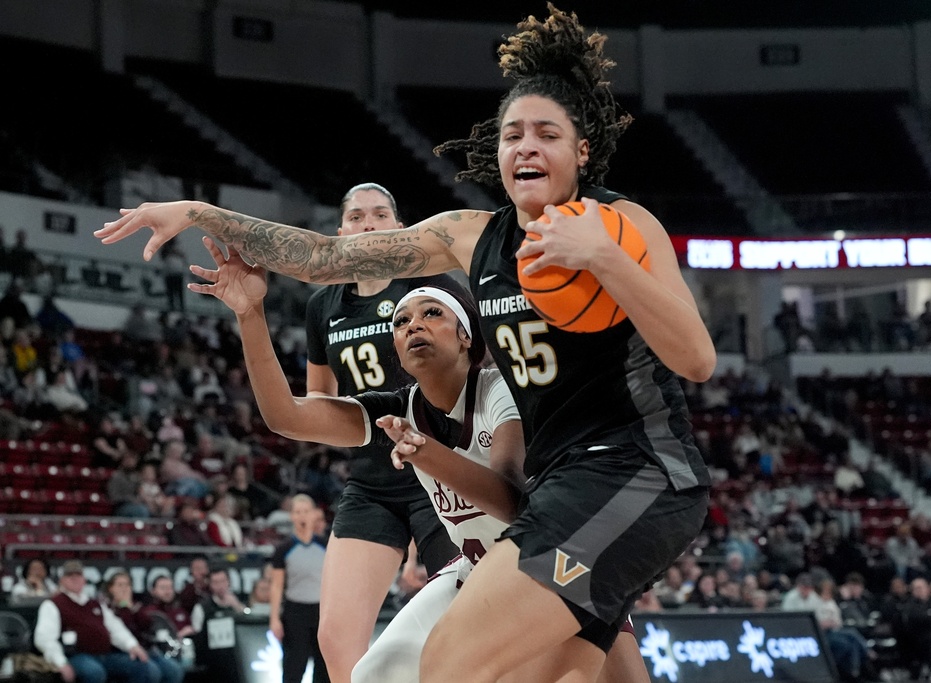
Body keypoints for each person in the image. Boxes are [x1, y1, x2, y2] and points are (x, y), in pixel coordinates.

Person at [97, 5, 715, 681]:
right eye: (512, 134)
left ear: (582, 149)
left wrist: (606, 259)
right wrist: (196, 213)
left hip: (637, 468)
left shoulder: (621, 223)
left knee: (449, 661)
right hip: (559, 483)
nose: (526, 146)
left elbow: (697, 359)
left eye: (547, 133)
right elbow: (325, 258)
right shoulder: (471, 236)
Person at [191, 242, 650, 682]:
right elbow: (285, 416)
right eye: (402, 320)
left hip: (556, 564)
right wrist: (249, 315)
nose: (414, 325)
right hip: (476, 570)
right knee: (376, 671)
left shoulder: (501, 389)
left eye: (432, 313)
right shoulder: (398, 408)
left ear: (467, 336)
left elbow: (511, 502)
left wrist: (429, 454)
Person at [298, 182, 462, 683]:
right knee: (336, 637)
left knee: (462, 623)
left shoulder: (433, 287)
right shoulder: (322, 306)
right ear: (341, 231)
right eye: (357, 216)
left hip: (443, 470)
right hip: (372, 481)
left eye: (380, 214)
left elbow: (475, 370)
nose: (368, 224)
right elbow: (319, 404)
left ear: (399, 227)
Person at [33, 560, 152, 683]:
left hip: (105, 654)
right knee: (94, 672)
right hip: (76, 656)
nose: (75, 579)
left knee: (141, 666)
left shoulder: (95, 603)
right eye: (70, 576)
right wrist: (61, 662)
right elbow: (44, 638)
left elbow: (115, 627)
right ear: (62, 580)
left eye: (78, 576)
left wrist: (131, 645)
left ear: (84, 579)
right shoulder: (53, 604)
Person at [268, 493, 329, 683]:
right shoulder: (283, 549)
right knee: (294, 667)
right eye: (297, 512)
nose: (302, 516)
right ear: (292, 516)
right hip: (295, 612)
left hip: (321, 612)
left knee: (323, 668)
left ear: (314, 514)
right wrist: (274, 619)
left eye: (305, 511)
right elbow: (277, 586)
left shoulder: (326, 546)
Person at [105, 571, 185, 683]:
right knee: (150, 671)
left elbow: (147, 625)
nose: (124, 589)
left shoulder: (137, 607)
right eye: (120, 585)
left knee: (174, 670)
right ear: (111, 588)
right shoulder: (107, 608)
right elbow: (124, 628)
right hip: (120, 652)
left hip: (146, 649)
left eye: (127, 585)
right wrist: (124, 607)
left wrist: (130, 607)